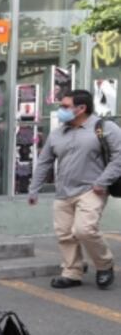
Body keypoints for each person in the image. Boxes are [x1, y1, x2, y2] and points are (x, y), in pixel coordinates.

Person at [29, 89, 121, 290]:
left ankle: (104, 265)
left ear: (81, 108)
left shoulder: (105, 128)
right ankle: (72, 272)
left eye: (65, 106)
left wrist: (102, 181)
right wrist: (34, 188)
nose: (60, 110)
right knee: (64, 234)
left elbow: (119, 157)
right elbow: (44, 162)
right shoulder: (58, 133)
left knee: (84, 230)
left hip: (92, 189)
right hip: (63, 192)